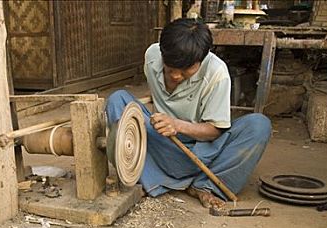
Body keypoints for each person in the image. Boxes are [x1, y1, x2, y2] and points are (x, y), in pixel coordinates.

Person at [105, 18, 271, 209]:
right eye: (170, 69)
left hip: (198, 154)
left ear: (201, 59)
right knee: (118, 100)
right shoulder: (152, 56)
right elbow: (159, 95)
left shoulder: (217, 74)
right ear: (162, 54)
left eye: (185, 72)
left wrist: (177, 125)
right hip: (160, 143)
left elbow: (215, 130)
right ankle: (150, 177)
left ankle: (204, 184)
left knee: (259, 125)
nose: (176, 76)